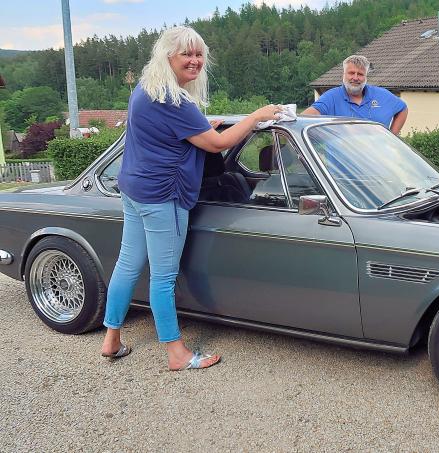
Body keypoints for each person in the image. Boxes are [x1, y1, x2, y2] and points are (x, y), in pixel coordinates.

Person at [99, 26, 282, 371]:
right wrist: (256, 117)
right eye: (187, 54)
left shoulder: (147, 90)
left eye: (199, 54)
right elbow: (215, 144)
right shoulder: (175, 100)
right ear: (168, 55)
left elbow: (176, 132)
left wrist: (201, 125)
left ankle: (111, 340)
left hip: (135, 189)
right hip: (162, 195)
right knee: (164, 276)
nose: (195, 61)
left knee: (128, 264)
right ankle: (176, 353)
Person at [302, 55, 408, 135]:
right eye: (351, 73)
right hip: (342, 163)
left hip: (378, 161)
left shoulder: (382, 95)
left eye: (360, 74)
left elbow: (403, 109)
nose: (356, 78)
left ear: (366, 76)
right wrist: (287, 115)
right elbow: (305, 117)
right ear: (344, 74)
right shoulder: (331, 98)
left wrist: (392, 136)